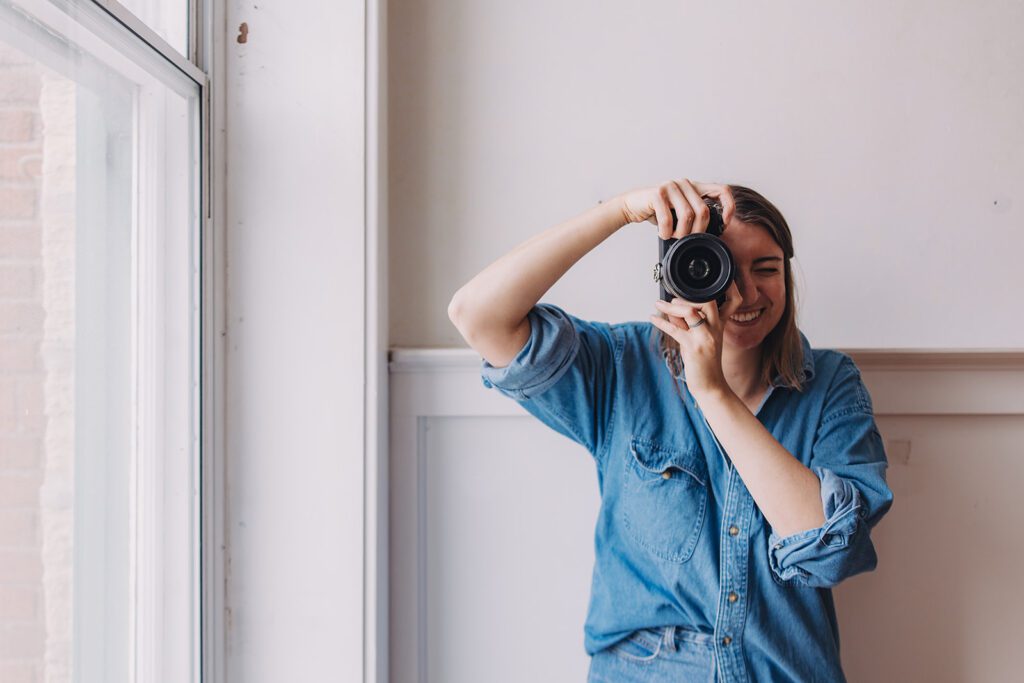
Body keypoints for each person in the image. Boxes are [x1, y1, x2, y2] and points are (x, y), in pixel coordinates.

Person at [447, 179, 894, 683]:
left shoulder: (831, 384)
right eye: (718, 267)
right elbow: (475, 314)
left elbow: (829, 551)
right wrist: (619, 211)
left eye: (766, 269)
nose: (745, 292)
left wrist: (713, 394)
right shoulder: (623, 367)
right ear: (679, 272)